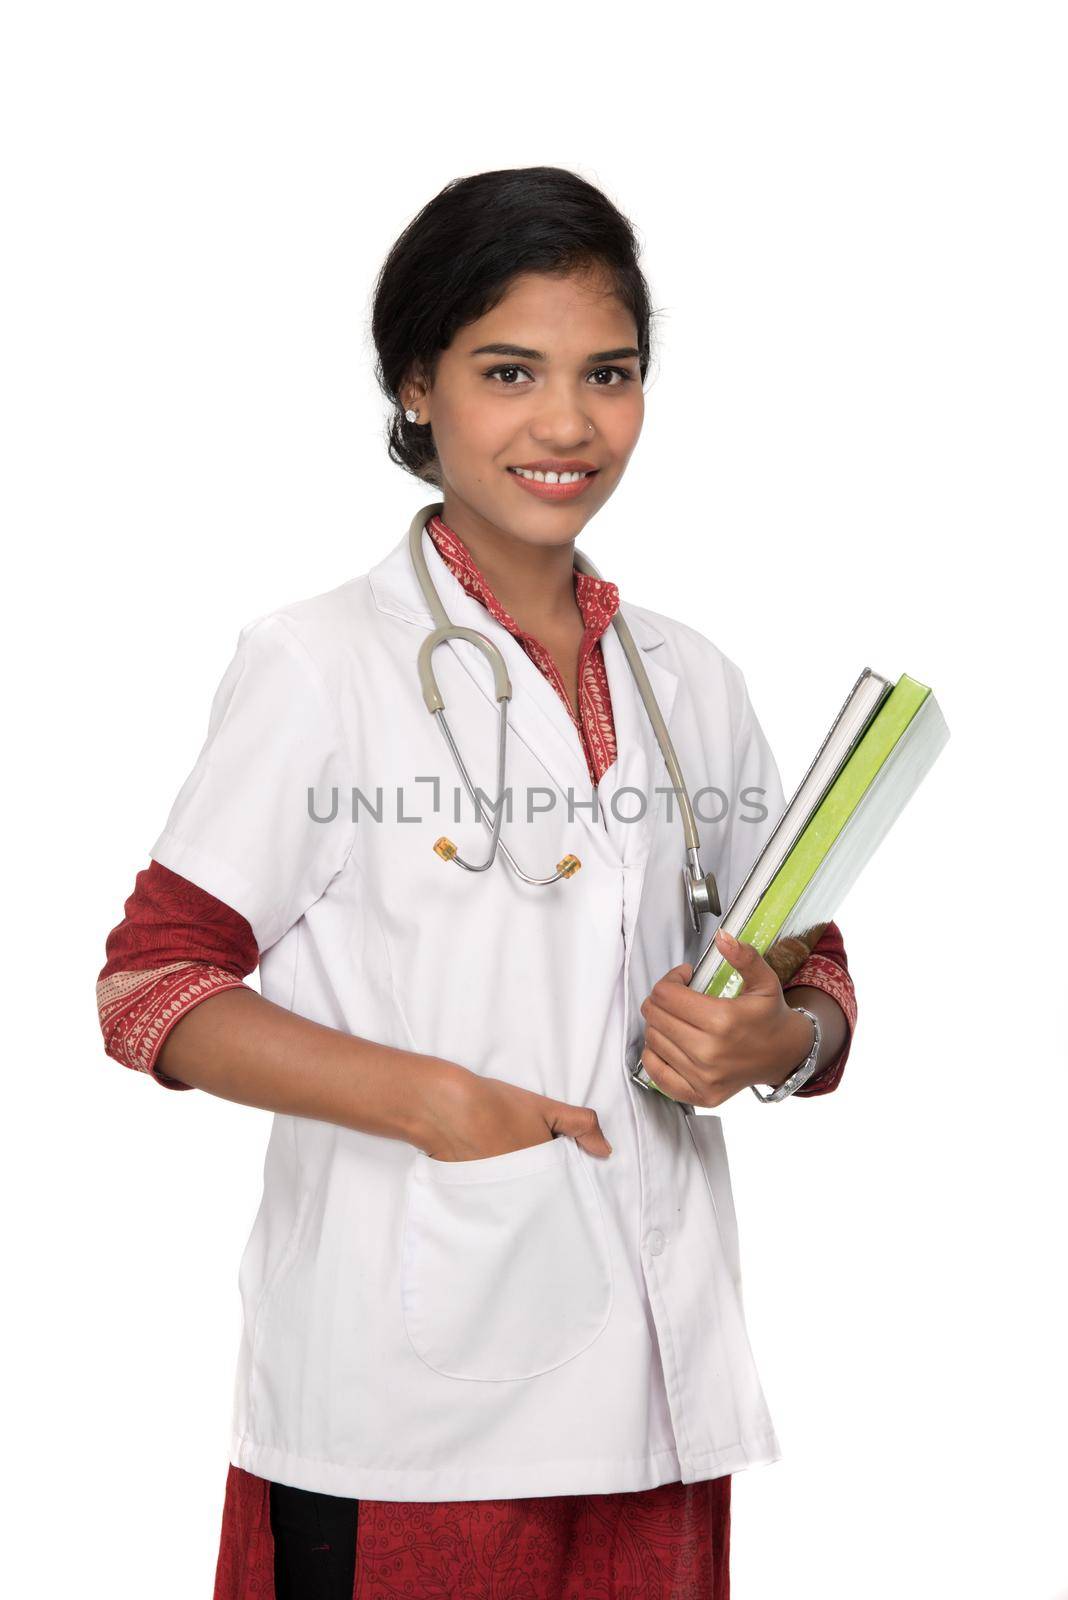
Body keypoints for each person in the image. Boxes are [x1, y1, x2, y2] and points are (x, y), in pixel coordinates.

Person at [97, 166, 858, 1600]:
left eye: (609, 374)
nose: (567, 423)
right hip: (409, 1407)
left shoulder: (689, 676)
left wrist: (781, 1040)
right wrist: (429, 1101)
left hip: (659, 1391)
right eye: (511, 371)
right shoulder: (318, 664)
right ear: (417, 386)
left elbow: (809, 967)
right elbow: (152, 986)